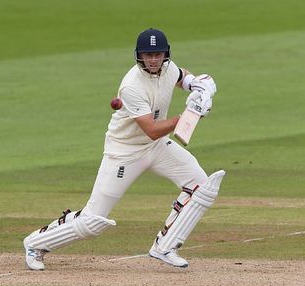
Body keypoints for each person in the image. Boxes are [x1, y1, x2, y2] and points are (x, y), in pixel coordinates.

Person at [23, 28, 225, 270]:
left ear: (165, 55)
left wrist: (196, 85)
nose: (153, 60)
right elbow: (151, 129)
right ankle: (35, 244)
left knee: (201, 187)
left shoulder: (168, 68)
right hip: (125, 152)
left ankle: (165, 247)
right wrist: (189, 114)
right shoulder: (131, 86)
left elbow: (181, 76)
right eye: (148, 55)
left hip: (156, 147)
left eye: (158, 54)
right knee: (92, 222)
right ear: (139, 56)